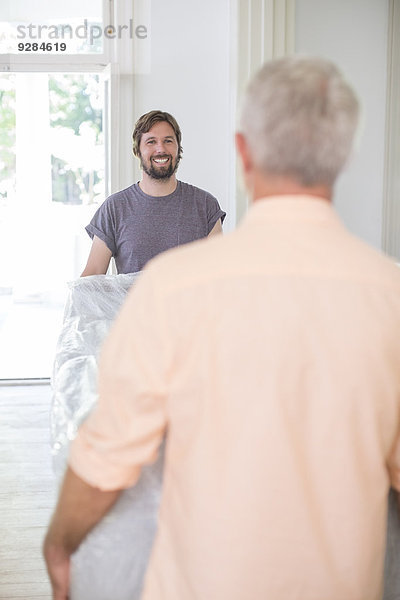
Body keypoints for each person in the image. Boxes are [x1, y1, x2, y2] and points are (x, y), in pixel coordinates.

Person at [44, 56, 400, 600]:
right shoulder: (389, 296)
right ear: (345, 156)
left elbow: (108, 455)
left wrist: (60, 544)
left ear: (243, 153)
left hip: (204, 581)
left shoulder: (170, 290)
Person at [80, 110, 226, 276]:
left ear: (178, 148)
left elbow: (219, 275)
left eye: (168, 141)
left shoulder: (205, 206)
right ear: (138, 151)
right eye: (151, 142)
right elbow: (92, 276)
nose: (160, 149)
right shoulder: (115, 208)